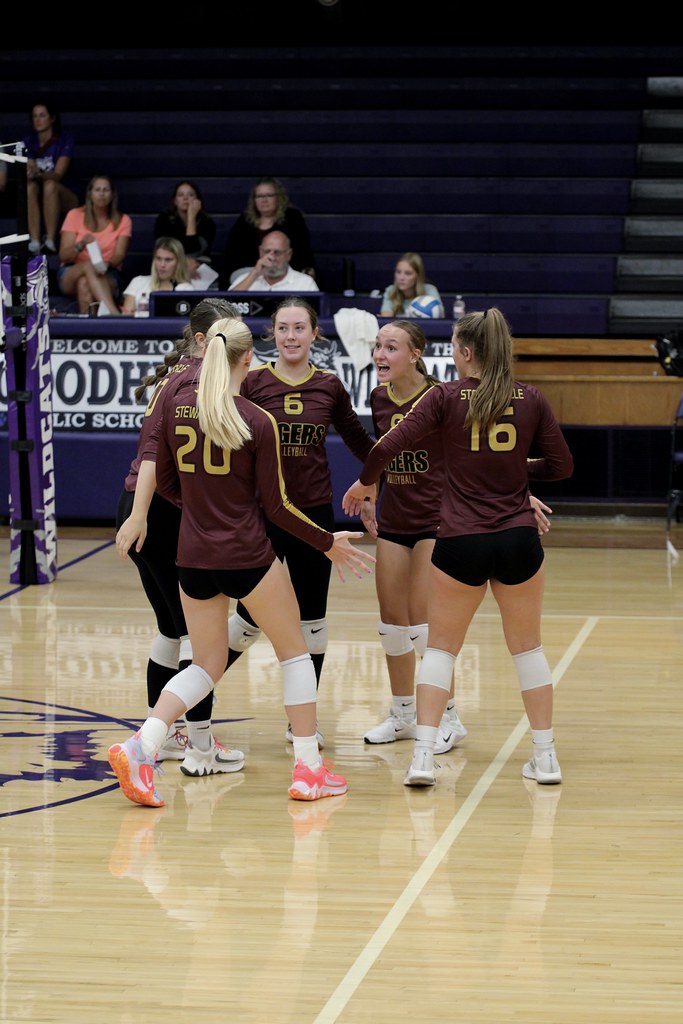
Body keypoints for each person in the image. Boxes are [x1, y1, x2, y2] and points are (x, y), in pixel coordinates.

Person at [108, 316, 376, 807]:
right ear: (248, 359)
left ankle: (142, 744)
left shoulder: (178, 408)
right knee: (294, 652)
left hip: (192, 555)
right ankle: (309, 769)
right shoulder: (256, 420)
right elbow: (278, 509)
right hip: (247, 553)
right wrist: (326, 541)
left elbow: (162, 479)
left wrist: (198, 507)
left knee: (206, 663)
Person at [342, 307, 573, 788]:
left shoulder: (445, 397)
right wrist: (514, 473)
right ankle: (546, 758)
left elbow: (383, 448)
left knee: (441, 651)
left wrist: (365, 486)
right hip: (517, 538)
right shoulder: (531, 398)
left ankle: (423, 757)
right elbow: (562, 466)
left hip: (461, 539)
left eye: (452, 345)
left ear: (466, 353)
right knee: (528, 650)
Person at [226, 296, 376, 747]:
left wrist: (375, 483)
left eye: (299, 328)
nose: (291, 337)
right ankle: (194, 702)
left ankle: (300, 725)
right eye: (283, 329)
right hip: (265, 516)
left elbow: (359, 440)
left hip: (313, 517)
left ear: (314, 334)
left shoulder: (329, 386)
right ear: (272, 334)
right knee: (247, 618)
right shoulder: (252, 383)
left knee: (313, 620)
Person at [115, 298, 245, 776]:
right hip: (157, 513)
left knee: (172, 629)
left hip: (140, 507)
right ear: (200, 342)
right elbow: (152, 453)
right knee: (198, 634)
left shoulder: (181, 377)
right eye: (225, 337)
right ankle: (198, 745)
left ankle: (172, 735)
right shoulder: (193, 382)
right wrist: (146, 514)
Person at [222, 176, 317, 288]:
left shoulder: (292, 218)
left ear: (278, 197)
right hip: (251, 272)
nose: (264, 200)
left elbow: (302, 251)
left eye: (269, 195)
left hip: (284, 270)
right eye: (259, 196)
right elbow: (231, 257)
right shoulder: (244, 221)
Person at [58, 174, 132, 315]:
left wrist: (106, 264)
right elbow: (64, 255)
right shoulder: (75, 215)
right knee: (88, 267)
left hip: (107, 272)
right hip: (71, 271)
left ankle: (88, 327)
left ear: (112, 195)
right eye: (97, 190)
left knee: (84, 283)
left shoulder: (123, 220)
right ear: (90, 194)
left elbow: (120, 255)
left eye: (106, 190)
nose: (102, 194)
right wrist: (81, 245)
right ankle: (115, 314)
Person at [23, 100, 79, 256]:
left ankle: (50, 240)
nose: (38, 120)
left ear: (52, 118)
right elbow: (30, 168)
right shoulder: (28, 141)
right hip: (39, 194)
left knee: (50, 184)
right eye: (34, 116)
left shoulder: (64, 140)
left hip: (67, 195)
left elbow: (58, 175)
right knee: (29, 186)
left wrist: (38, 173)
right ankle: (34, 241)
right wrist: (31, 172)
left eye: (42, 115)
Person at [153, 179, 216, 280]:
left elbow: (195, 252)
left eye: (190, 195)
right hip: (171, 261)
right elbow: (163, 247)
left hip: (197, 264)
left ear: (198, 201)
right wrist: (183, 260)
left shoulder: (207, 222)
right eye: (181, 195)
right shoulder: (164, 219)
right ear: (175, 201)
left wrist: (191, 218)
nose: (185, 198)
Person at [119, 236, 194, 316]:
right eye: (158, 259)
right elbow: (127, 316)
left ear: (179, 262)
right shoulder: (138, 281)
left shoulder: (186, 289)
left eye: (168, 260)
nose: (162, 265)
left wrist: (138, 314)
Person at [228, 230, 319, 293]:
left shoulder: (305, 283)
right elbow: (225, 310)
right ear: (260, 252)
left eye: (277, 253)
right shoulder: (245, 279)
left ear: (289, 254)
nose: (271, 257)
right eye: (267, 252)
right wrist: (255, 273)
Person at [379, 252, 443, 318]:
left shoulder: (430, 290)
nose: (401, 278)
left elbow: (439, 316)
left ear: (418, 276)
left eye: (408, 273)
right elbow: (386, 317)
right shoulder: (391, 290)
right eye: (398, 272)